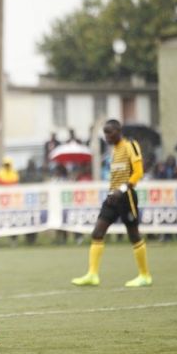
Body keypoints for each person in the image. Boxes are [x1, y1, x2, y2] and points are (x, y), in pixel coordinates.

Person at [71, 119, 152, 287]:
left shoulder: (131, 145)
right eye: (104, 133)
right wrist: (112, 191)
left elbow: (138, 172)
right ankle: (92, 275)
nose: (106, 136)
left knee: (134, 235)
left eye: (109, 132)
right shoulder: (114, 150)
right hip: (112, 197)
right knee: (97, 233)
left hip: (126, 196)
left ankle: (145, 275)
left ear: (118, 131)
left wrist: (121, 189)